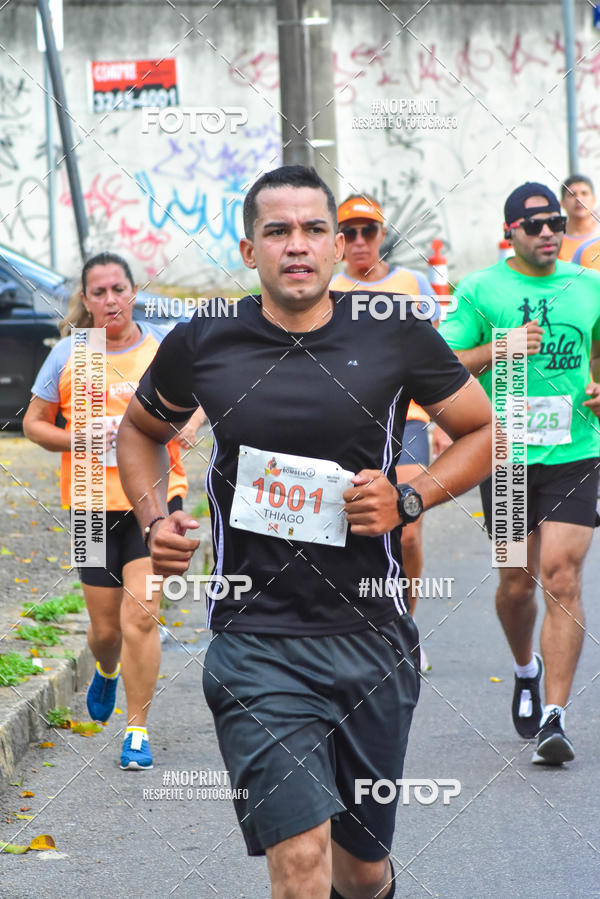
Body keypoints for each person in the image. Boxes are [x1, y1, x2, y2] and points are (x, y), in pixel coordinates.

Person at [117, 165, 492, 899]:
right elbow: (138, 434)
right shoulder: (205, 340)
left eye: (314, 229)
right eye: (277, 230)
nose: (298, 245)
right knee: (300, 865)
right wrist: (155, 518)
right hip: (255, 640)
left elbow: (482, 433)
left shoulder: (395, 332)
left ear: (335, 245)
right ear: (249, 248)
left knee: (361, 870)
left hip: (370, 638)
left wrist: (409, 499)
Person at [23, 252, 204, 770]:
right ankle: (105, 670)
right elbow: (34, 424)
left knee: (141, 616)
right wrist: (77, 437)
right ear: (86, 300)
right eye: (98, 292)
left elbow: (209, 392)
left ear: (133, 291)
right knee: (105, 631)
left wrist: (190, 425)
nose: (110, 301)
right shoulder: (67, 354)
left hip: (155, 500)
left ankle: (137, 729)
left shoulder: (161, 350)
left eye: (118, 289)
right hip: (90, 505)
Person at [441, 182, 600, 766]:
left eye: (555, 221)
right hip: (504, 458)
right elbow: (441, 361)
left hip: (575, 452)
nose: (548, 232)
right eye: (534, 224)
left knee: (562, 576)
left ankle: (555, 717)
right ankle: (524, 669)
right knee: (517, 583)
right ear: (510, 231)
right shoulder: (483, 290)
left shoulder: (590, 287)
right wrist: (499, 347)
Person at [331, 194, 453, 671]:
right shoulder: (329, 287)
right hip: (349, 423)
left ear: (382, 236)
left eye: (370, 231)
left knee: (406, 533)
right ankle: (358, 630)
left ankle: (405, 628)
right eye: (351, 232)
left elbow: (438, 366)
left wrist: (444, 425)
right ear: (339, 241)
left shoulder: (412, 284)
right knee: (350, 529)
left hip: (410, 420)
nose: (361, 241)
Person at [557, 174, 600, 261]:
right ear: (562, 203)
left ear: (594, 200)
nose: (579, 199)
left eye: (584, 193)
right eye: (572, 195)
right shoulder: (554, 240)